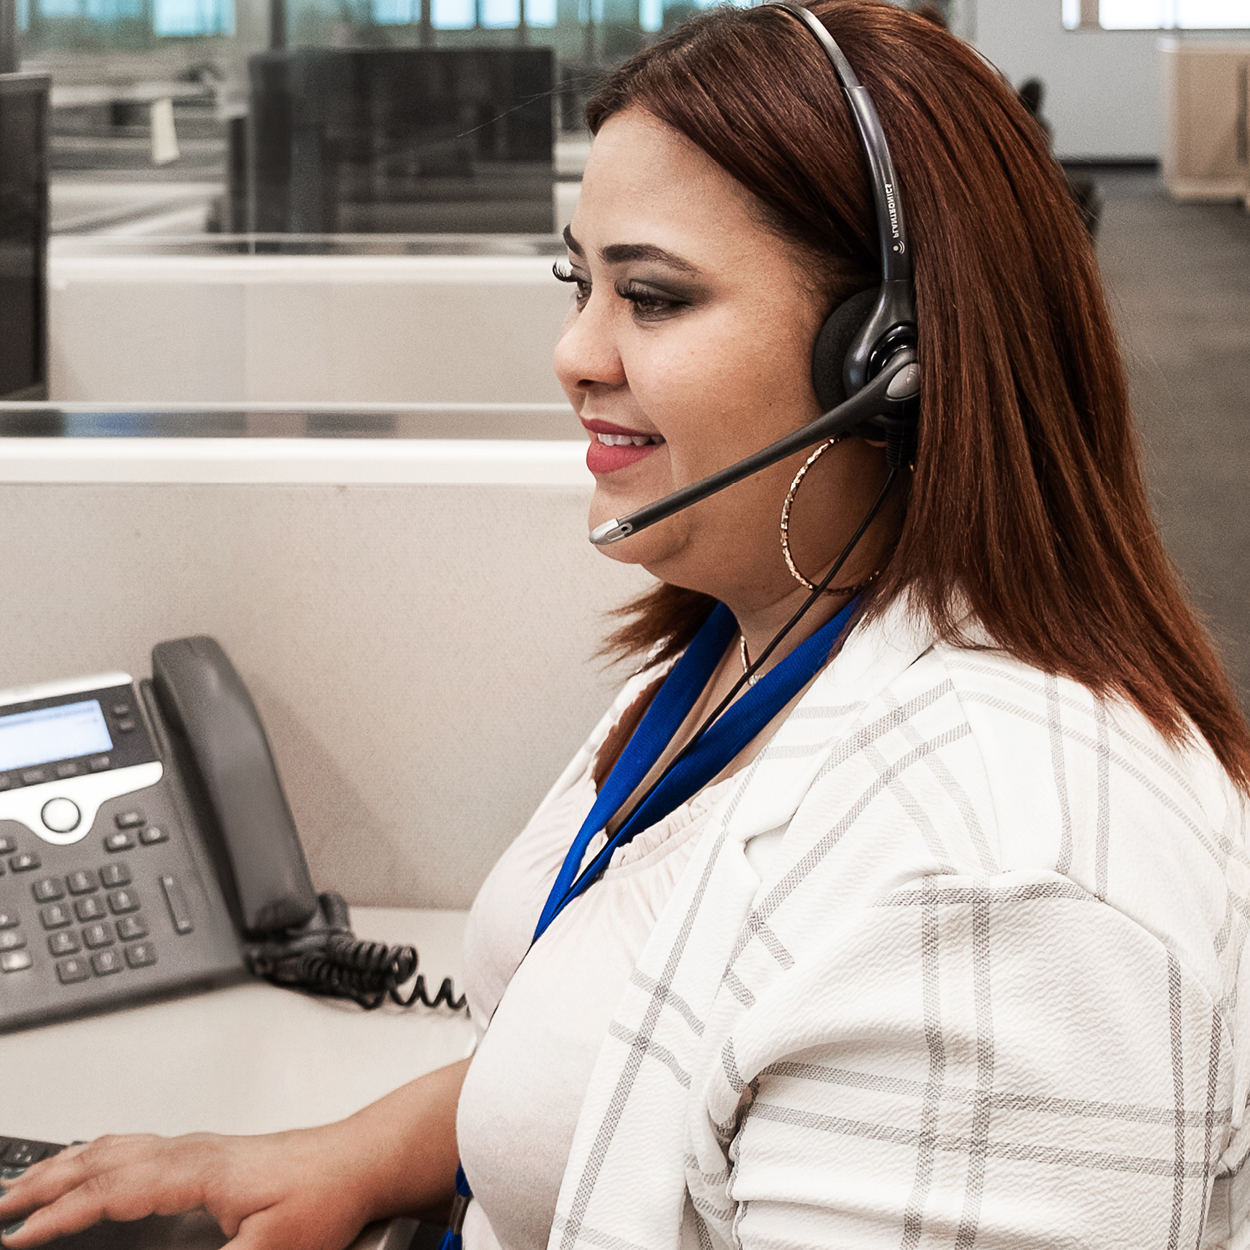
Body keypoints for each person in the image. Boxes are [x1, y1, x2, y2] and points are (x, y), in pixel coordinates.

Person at [3, 1, 1249, 1246]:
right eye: (577, 280)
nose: (571, 350)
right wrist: (350, 1151)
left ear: (886, 360)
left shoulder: (990, 886)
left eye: (650, 297)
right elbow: (642, 1041)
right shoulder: (763, 630)